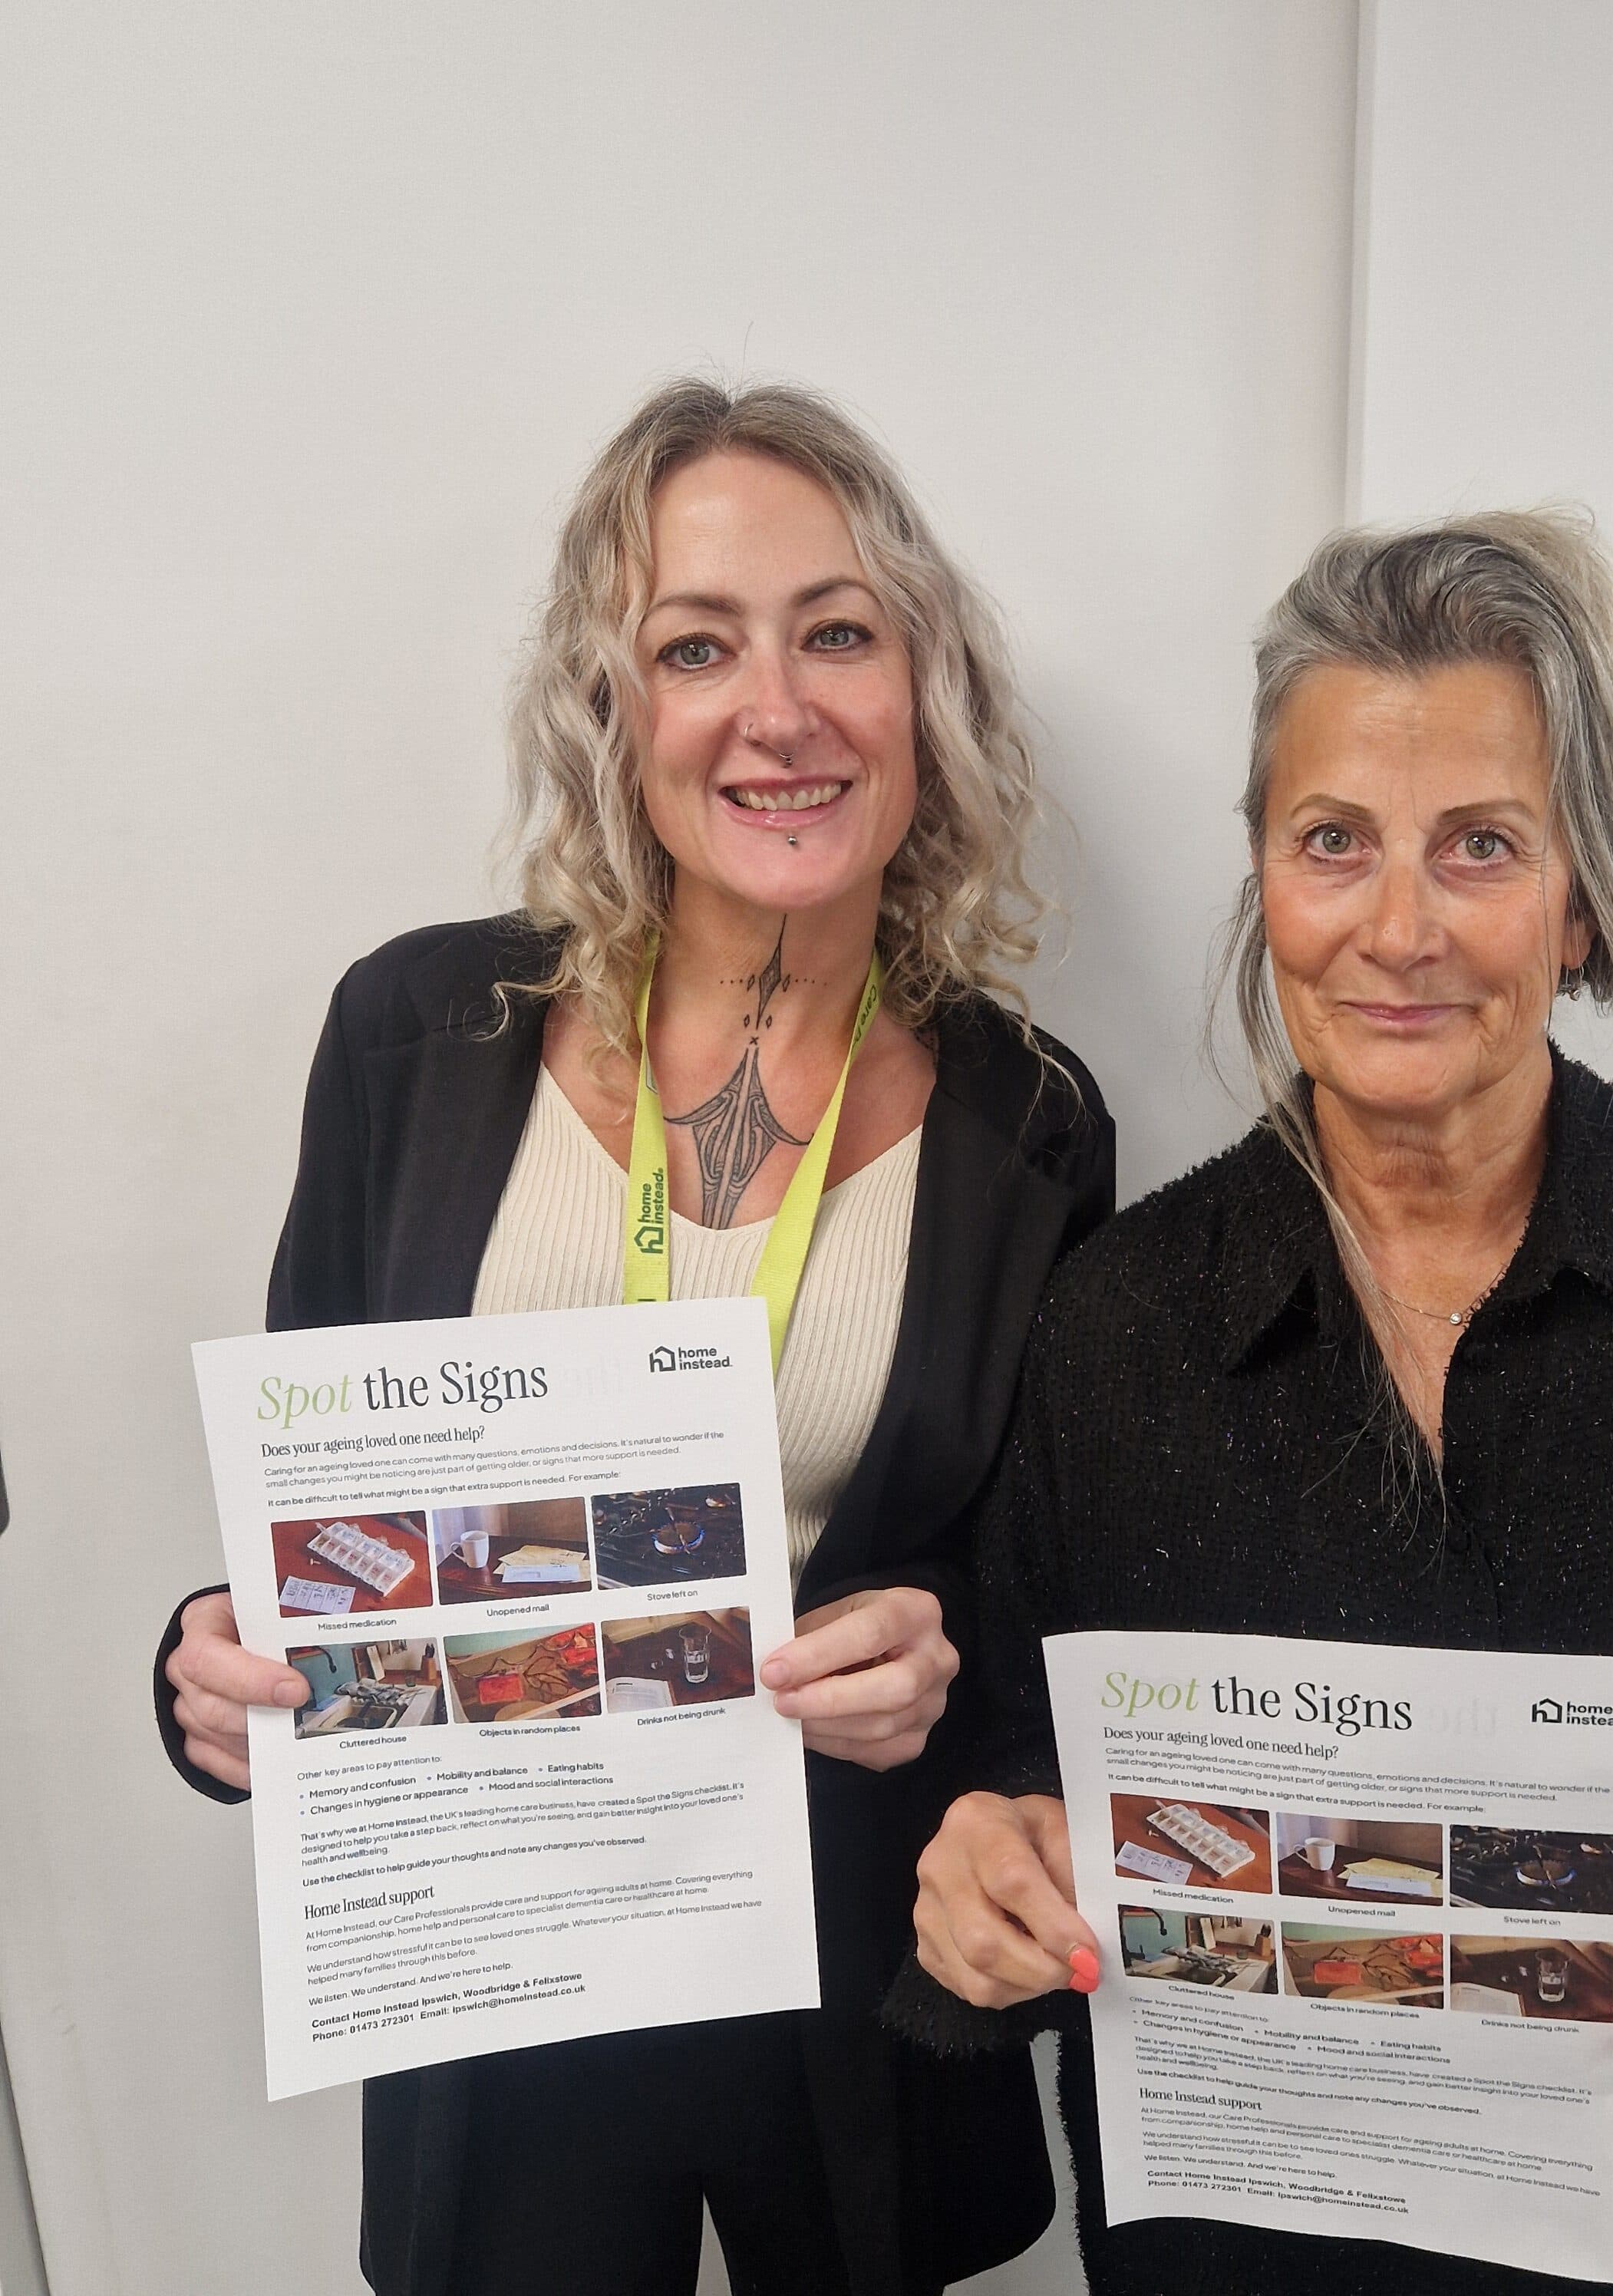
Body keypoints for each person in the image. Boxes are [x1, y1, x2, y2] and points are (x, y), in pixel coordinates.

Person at [905, 510, 1613, 2294]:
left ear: (1579, 887)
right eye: (1333, 841)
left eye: (1480, 846)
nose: (1398, 925)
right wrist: (983, 1860)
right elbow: (1003, 1750)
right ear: (1265, 877)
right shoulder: (1115, 1331)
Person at [153, 378, 1111, 2296]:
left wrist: (938, 1656)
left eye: (838, 631)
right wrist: (209, 1671)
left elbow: (1035, 1615)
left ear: (925, 690)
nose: (778, 708)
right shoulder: (415, 1041)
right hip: (498, 1996)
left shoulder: (1029, 1125)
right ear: (617, 711)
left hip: (843, 1994)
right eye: (697, 644)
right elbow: (308, 1519)